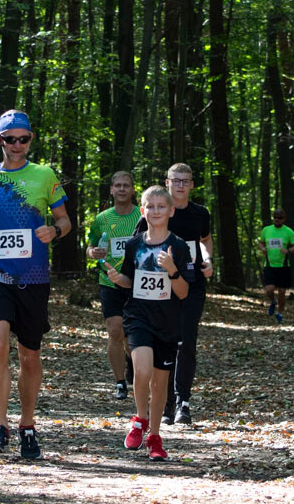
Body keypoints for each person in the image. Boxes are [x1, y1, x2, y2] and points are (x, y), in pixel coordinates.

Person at [0, 110, 70, 459]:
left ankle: (27, 425)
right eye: (11, 138)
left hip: (34, 275)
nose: (17, 145)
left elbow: (65, 221)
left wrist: (54, 231)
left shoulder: (44, 175)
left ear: (30, 141)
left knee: (29, 354)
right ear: (0, 140)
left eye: (24, 138)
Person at [104, 185, 191, 461]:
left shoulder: (177, 246)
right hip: (138, 316)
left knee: (160, 384)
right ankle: (140, 419)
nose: (155, 211)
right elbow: (130, 281)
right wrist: (120, 280)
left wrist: (172, 271)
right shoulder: (134, 244)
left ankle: (154, 435)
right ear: (142, 210)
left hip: (167, 321)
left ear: (171, 210)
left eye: (161, 207)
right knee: (141, 371)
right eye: (150, 207)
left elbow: (183, 292)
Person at [133, 163, 213, 426]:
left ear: (191, 184)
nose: (180, 185)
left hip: (191, 283)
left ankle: (183, 402)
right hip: (158, 287)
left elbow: (205, 241)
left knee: (186, 341)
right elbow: (138, 244)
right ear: (167, 182)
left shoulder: (200, 213)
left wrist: (209, 260)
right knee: (163, 342)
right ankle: (164, 403)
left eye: (185, 181)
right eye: (175, 180)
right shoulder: (155, 210)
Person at [86, 171, 141, 400]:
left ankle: (133, 363)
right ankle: (120, 383)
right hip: (109, 280)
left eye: (126, 185)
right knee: (115, 330)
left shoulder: (142, 216)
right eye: (117, 185)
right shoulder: (102, 219)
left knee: (132, 335)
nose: (121, 189)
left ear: (132, 190)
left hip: (137, 282)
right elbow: (90, 249)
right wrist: (93, 252)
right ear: (111, 190)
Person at [257, 209, 294, 324]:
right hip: (269, 265)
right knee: (269, 289)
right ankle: (273, 301)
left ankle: (280, 313)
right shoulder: (266, 230)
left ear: (284, 219)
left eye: (280, 217)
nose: (277, 219)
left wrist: (288, 250)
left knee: (282, 291)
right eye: (275, 217)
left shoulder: (288, 231)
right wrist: (262, 248)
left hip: (283, 266)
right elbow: (260, 241)